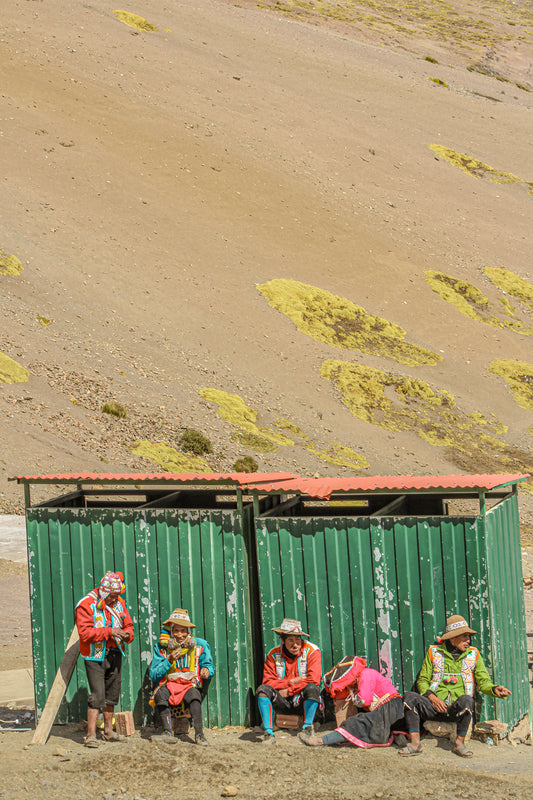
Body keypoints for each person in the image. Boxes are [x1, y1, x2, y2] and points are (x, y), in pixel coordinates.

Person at [401, 614, 512, 757]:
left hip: (455, 710)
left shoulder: (474, 655)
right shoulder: (434, 653)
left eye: (468, 636)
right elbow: (422, 680)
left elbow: (484, 682)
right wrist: (432, 698)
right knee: (409, 697)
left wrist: (494, 689)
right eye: (464, 636)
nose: (468, 640)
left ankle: (459, 743)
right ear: (452, 638)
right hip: (433, 706)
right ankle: (415, 744)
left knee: (467, 700)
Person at [75, 570, 134, 748]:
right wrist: (110, 631)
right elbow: (84, 633)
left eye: (117, 596)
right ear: (105, 592)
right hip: (95, 655)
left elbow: (128, 624)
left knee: (112, 692)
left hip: (115, 653)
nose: (115, 600)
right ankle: (91, 735)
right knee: (97, 695)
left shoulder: (119, 602)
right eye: (112, 596)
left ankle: (109, 731)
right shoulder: (86, 605)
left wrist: (127, 635)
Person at [299, 655, 405, 748]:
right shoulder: (360, 679)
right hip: (390, 711)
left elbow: (364, 701)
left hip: (390, 707)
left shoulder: (366, 674)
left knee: (356, 722)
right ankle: (396, 734)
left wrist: (352, 694)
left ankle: (321, 740)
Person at [149, 608, 215, 745]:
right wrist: (169, 660)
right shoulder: (161, 648)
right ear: (171, 631)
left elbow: (209, 665)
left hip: (189, 684)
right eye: (176, 631)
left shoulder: (199, 646)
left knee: (194, 696)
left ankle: (199, 735)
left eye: (183, 631)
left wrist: (206, 670)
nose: (180, 635)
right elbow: (154, 674)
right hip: (169, 684)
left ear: (188, 632)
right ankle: (167, 731)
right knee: (160, 694)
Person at [256, 617, 321, 744]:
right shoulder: (273, 654)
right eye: (290, 640)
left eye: (298, 640)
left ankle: (307, 728)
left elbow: (313, 679)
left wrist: (289, 690)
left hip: (301, 699)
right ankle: (268, 733)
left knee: (313, 688)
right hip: (281, 700)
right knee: (262, 690)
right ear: (282, 640)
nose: (295, 644)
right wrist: (291, 682)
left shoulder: (312, 652)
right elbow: (268, 682)